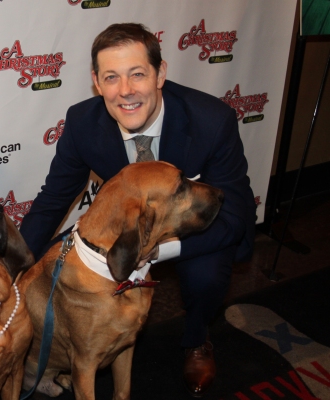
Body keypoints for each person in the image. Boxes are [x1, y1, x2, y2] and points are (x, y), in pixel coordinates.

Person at [19, 23, 256, 397]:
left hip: (193, 231)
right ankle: (75, 344)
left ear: (160, 74)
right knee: (59, 264)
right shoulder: (83, 122)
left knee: (206, 275)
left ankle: (196, 338)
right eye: (111, 77)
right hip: (127, 231)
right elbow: (52, 201)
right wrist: (5, 268)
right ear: (96, 82)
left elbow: (235, 219)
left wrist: (156, 251)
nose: (125, 91)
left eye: (137, 74)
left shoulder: (212, 121)